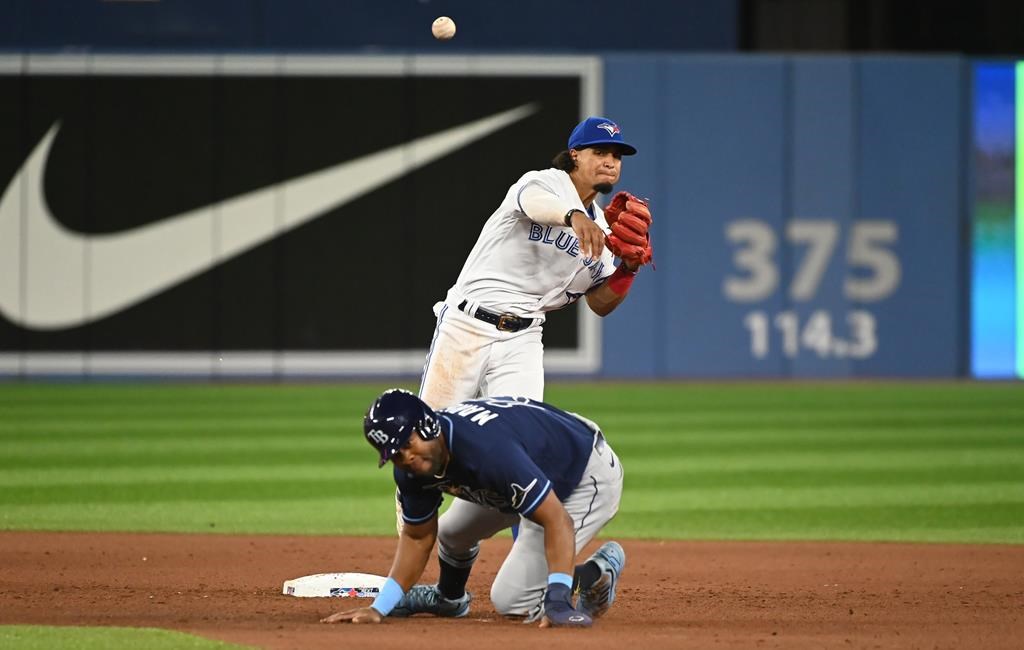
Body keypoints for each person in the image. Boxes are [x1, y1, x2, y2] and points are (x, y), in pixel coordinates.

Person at [322, 388, 626, 628]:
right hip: (526, 468)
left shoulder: (486, 451)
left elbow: (557, 520)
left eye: (407, 444)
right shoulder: (414, 468)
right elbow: (417, 538)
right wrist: (380, 607)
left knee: (513, 601)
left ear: (427, 426)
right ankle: (449, 598)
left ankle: (593, 575)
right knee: (451, 532)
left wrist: (558, 600)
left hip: (582, 475)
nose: (406, 458)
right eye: (395, 454)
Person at [417, 114, 653, 409]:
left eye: (617, 156)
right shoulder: (543, 182)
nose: (610, 161)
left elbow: (598, 303)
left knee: (520, 435)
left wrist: (628, 270)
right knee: (431, 439)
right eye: (600, 152)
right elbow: (535, 203)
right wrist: (573, 216)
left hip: (523, 339)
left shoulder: (603, 231)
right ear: (575, 155)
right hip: (467, 325)